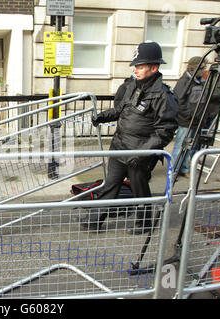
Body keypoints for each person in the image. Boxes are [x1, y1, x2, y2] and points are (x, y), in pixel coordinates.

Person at [82, 41, 179, 235]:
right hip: (120, 146)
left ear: (154, 67)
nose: (136, 70)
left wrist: (143, 153)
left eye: (140, 66)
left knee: (139, 190)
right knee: (111, 184)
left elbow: (165, 130)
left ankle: (143, 224)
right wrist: (103, 116)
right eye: (135, 66)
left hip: (139, 152)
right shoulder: (132, 85)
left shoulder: (163, 95)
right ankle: (95, 219)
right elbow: (121, 109)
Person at [171, 56, 207, 178]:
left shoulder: (201, 81)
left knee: (189, 146)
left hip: (197, 119)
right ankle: (175, 169)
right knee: (180, 145)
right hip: (186, 120)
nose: (204, 70)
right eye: (202, 67)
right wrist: (189, 115)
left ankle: (184, 167)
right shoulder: (184, 81)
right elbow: (178, 101)